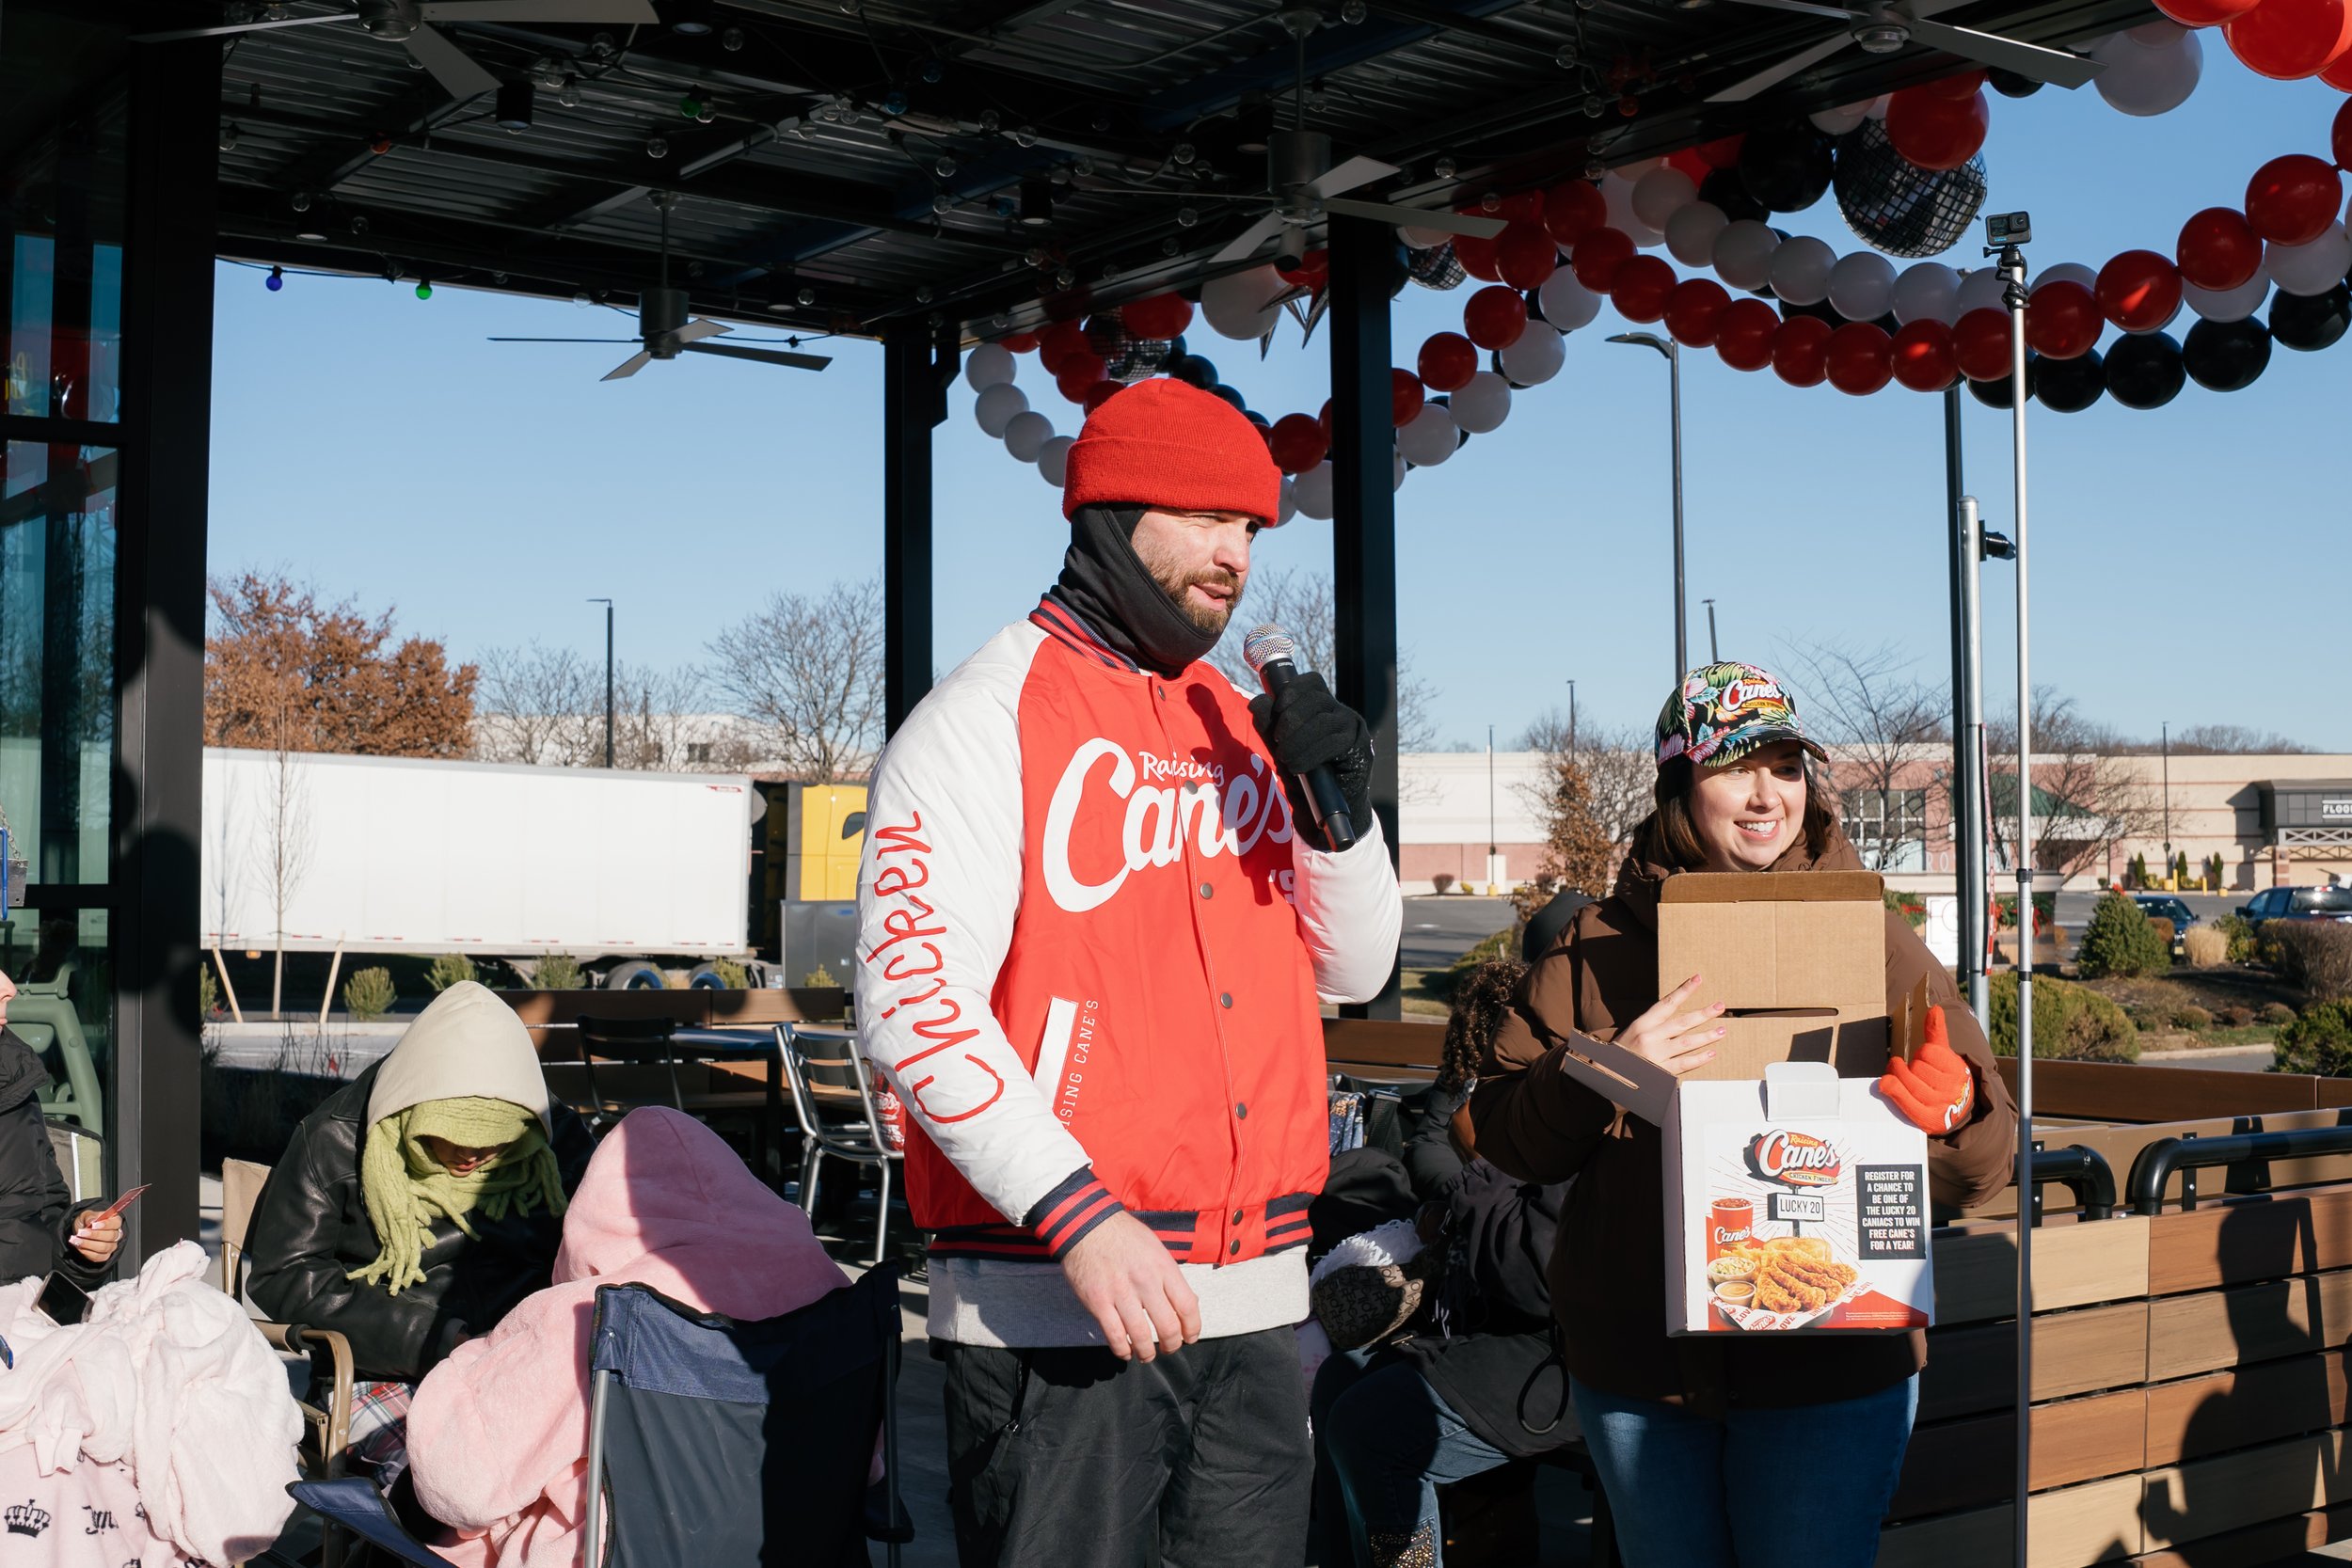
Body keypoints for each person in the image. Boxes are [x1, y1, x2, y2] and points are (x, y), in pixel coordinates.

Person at [856, 375, 1402, 1568]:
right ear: (1110, 512)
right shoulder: (981, 715)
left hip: (1257, 1302)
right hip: (1057, 1302)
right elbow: (911, 1001)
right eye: (1205, 517)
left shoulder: (1241, 719)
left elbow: (1356, 966)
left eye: (1250, 526)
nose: (1234, 555)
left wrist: (1340, 817)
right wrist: (1080, 1215)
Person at [1470, 662, 2016, 1568]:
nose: (1768, 795)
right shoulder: (1593, 943)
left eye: (1786, 767)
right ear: (1680, 784)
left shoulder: (1874, 933)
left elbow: (1983, 1167)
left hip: (1832, 1369)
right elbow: (1501, 1133)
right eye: (1736, 768)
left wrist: (1954, 1107)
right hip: (1642, 1372)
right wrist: (1602, 1069)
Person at [405, 1107, 849, 1568]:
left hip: (627, 1551)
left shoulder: (593, 1315)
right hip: (799, 1536)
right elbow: (868, 1457)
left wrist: (471, 1365)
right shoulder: (826, 1285)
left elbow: (460, 1487)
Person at [245, 980, 594, 1481]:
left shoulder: (553, 1138)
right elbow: (285, 1274)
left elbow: (603, 1248)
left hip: (522, 1361)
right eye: (448, 1136)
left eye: (496, 1142)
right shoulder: (334, 1137)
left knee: (583, 1479)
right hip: (379, 1370)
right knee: (448, 1480)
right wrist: (435, 1338)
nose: (473, 1155)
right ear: (408, 1113)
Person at [1315, 958, 1574, 1568]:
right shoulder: (1500, 1086)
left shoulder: (1574, 1107)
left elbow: (1533, 1279)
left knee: (1370, 1429)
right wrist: (1462, 1186)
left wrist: (1475, 1169)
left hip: (1562, 1345)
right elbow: (1433, 1139)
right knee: (1341, 1379)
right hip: (1490, 1311)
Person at [0, 969, 119, 1285]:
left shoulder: (14, 1084)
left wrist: (81, 1236)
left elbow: (41, 1219)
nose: (9, 988)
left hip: (28, 1300)